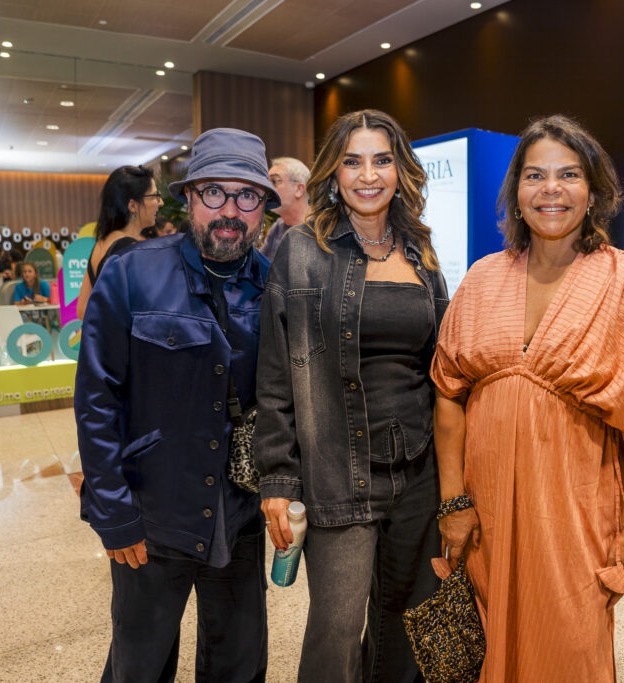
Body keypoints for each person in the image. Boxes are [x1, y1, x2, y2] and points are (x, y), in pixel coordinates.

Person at [431, 115, 624, 682]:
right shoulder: (483, 277)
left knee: (571, 644)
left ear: (593, 192)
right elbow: (448, 394)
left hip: (574, 516)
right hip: (485, 512)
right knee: (486, 643)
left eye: (569, 175)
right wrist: (453, 503)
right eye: (535, 175)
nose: (551, 189)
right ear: (516, 192)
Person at [76, 128, 278, 683]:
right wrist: (114, 515)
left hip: (238, 519)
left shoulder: (275, 286)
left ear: (265, 207)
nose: (230, 211)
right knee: (139, 665)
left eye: (247, 196)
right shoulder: (131, 272)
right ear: (187, 197)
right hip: (152, 516)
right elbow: (97, 401)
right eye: (214, 192)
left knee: (238, 664)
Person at [256, 109, 448, 683]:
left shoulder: (422, 253)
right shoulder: (301, 249)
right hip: (337, 472)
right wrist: (279, 479)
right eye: (353, 161)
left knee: (405, 624)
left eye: (382, 160)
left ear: (400, 170)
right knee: (335, 634)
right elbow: (274, 377)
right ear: (333, 173)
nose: (369, 175)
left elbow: (439, 367)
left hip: (418, 473)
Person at [75, 165, 163, 319]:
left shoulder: (101, 243)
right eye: (155, 196)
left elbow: (82, 309)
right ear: (133, 205)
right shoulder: (130, 249)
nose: (160, 202)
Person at [259, 156, 310, 261]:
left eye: (274, 181)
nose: (268, 188)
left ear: (299, 189)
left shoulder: (321, 229)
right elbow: (259, 267)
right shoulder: (278, 227)